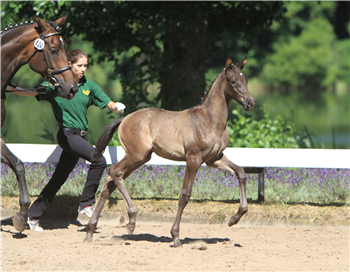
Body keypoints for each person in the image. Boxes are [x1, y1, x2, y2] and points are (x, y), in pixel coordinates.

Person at [16, 49, 125, 232]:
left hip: (79, 136)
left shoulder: (88, 85)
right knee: (99, 160)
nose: (83, 69)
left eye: (85, 66)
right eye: (79, 65)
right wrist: (10, 89)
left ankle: (32, 216)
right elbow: (33, 92)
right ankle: (86, 204)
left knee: (58, 179)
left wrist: (116, 108)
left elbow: (107, 102)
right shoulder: (56, 85)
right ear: (70, 65)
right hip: (67, 135)